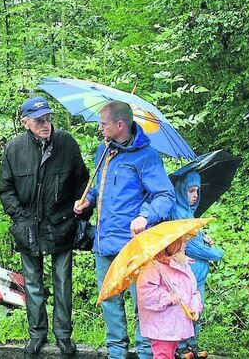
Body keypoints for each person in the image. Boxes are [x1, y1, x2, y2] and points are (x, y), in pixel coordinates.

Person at [74, 100, 176, 359]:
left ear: (120, 125)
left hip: (133, 245)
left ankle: (145, 352)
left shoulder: (147, 157)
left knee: (143, 302)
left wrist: (146, 215)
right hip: (103, 241)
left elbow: (165, 195)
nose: (99, 128)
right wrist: (89, 199)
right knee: (109, 299)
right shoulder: (104, 151)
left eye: (103, 123)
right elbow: (101, 188)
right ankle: (116, 352)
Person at [0, 96, 89, 357]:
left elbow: (81, 180)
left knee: (62, 281)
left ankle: (64, 336)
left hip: (61, 223)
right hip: (28, 227)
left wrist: (82, 204)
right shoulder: (14, 149)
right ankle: (36, 335)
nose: (45, 124)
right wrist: (19, 216)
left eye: (48, 118)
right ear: (25, 122)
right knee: (33, 283)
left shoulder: (67, 144)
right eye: (39, 120)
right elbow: (5, 189)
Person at [172, 172, 223, 359]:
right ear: (180, 191)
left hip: (198, 274)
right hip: (187, 273)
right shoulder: (178, 214)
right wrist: (216, 252)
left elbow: (197, 240)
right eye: (190, 191)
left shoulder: (190, 214)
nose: (195, 195)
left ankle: (193, 343)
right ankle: (182, 345)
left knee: (197, 308)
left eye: (197, 191)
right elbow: (191, 247)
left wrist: (205, 239)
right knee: (186, 310)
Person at [137, 236, 203, 359]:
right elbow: (146, 294)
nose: (185, 245)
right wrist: (168, 298)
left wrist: (195, 306)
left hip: (178, 324)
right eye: (181, 242)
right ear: (171, 245)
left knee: (169, 354)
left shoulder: (184, 264)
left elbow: (194, 291)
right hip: (162, 326)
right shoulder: (153, 266)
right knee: (163, 355)